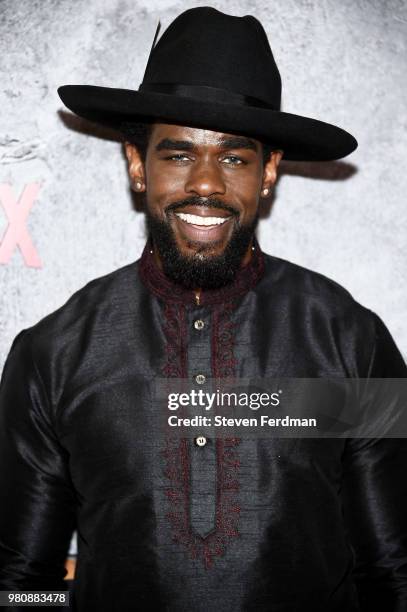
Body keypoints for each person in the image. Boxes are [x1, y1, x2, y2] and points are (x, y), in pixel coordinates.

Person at [0, 7, 406, 612]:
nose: (208, 184)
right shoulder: (54, 353)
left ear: (269, 172)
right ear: (138, 165)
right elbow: (22, 585)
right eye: (179, 154)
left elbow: (394, 573)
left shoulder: (347, 339)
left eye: (236, 158)